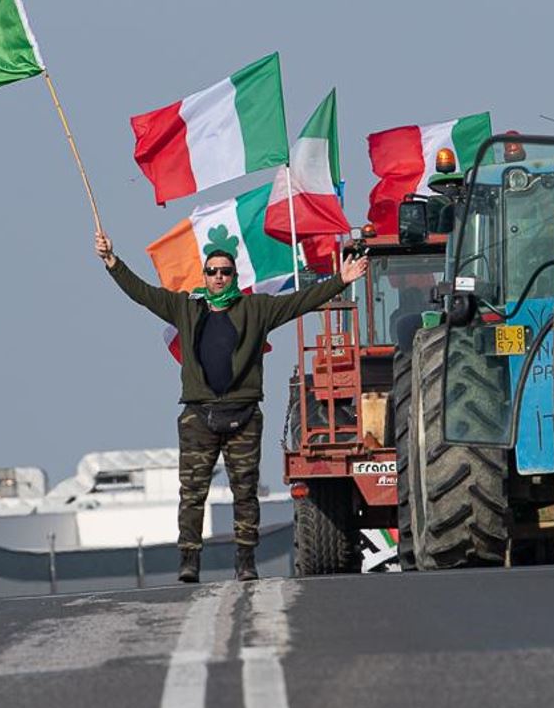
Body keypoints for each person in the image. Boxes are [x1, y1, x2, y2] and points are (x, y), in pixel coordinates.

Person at [95, 230, 366, 582]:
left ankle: (245, 561)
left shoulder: (256, 308)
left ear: (234, 276)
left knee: (245, 492)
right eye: (212, 271)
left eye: (225, 271)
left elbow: (300, 301)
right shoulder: (185, 308)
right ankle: (189, 561)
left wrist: (339, 281)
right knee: (192, 493)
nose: (218, 277)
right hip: (198, 415)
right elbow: (143, 294)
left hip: (244, 415)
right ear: (204, 276)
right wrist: (112, 262)